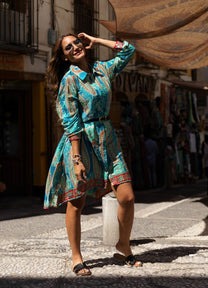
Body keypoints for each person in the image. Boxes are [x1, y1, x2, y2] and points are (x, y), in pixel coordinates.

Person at [44, 32, 142, 276]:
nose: (75, 47)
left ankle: (122, 246)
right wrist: (76, 160)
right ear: (65, 57)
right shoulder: (70, 80)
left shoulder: (102, 69)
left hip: (107, 138)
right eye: (68, 48)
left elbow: (128, 50)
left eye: (76, 42)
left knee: (127, 196)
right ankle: (77, 257)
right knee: (77, 202)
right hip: (82, 142)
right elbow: (71, 122)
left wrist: (97, 40)